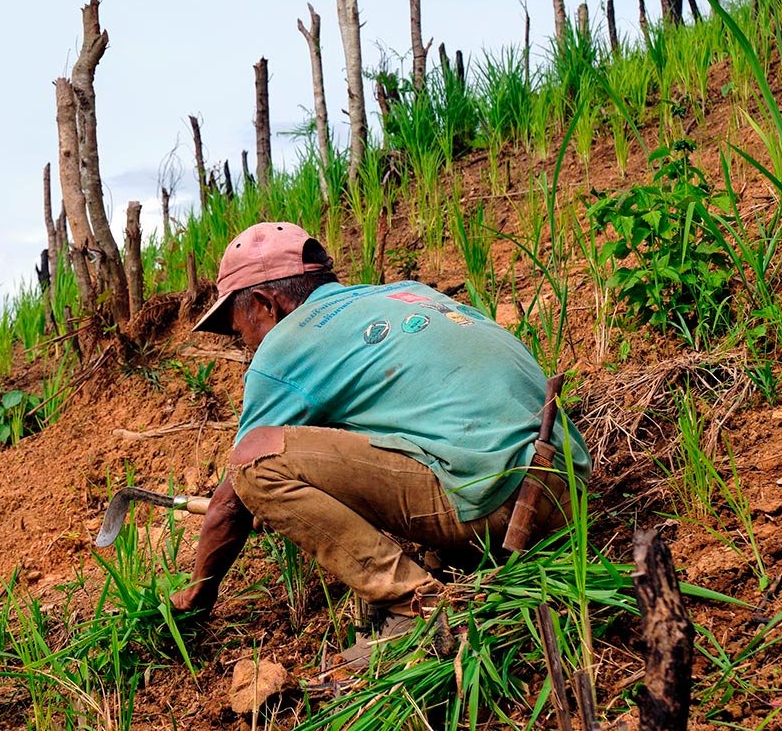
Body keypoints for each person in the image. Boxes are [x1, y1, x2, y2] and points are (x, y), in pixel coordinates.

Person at [168, 221, 588, 667]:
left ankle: (415, 608)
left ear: (265, 304)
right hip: (566, 488)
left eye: (240, 331)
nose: (247, 345)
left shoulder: (287, 345)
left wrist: (201, 589)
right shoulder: (404, 294)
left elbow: (234, 495)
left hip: (499, 507)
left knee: (256, 462)